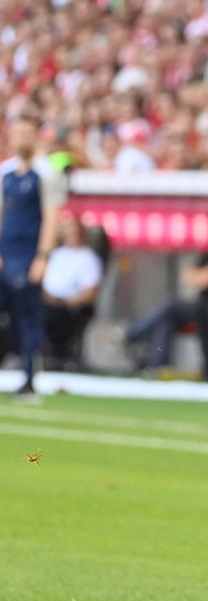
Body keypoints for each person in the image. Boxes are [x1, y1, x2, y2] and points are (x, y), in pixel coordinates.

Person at [0, 116, 66, 395]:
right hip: (6, 252)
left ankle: (29, 377)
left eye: (27, 133)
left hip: (29, 254)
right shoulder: (5, 172)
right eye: (17, 133)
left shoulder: (47, 172)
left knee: (28, 317)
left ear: (36, 136)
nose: (22, 138)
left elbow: (51, 217)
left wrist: (43, 256)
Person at [126, 215, 208, 373]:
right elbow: (187, 276)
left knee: (170, 307)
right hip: (200, 305)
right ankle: (157, 364)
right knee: (166, 321)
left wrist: (200, 276)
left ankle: (132, 334)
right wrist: (201, 276)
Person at [41, 213, 103, 369]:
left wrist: (67, 302)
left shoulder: (88, 258)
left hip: (72, 305)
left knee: (58, 316)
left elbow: (90, 291)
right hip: (49, 302)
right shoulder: (56, 254)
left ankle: (60, 357)